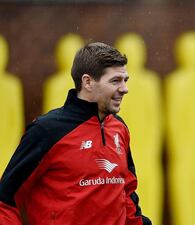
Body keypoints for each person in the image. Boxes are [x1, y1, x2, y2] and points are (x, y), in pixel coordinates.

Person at [0, 42, 151, 225]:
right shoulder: (47, 131)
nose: (124, 89)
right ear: (88, 82)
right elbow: (5, 199)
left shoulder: (119, 128)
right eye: (115, 81)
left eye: (125, 80)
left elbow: (126, 193)